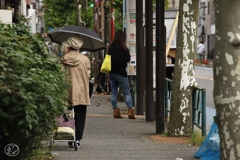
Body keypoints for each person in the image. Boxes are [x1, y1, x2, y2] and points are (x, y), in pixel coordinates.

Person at [60, 36, 91, 148]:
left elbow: (61, 75)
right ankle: (77, 139)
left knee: (68, 113)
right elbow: (88, 75)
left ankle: (69, 135)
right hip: (81, 91)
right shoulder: (85, 59)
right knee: (80, 114)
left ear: (68, 46)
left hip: (67, 90)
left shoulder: (64, 59)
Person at [108, 30, 136, 119]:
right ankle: (130, 111)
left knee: (114, 92)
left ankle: (115, 111)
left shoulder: (110, 47)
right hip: (121, 73)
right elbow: (128, 60)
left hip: (112, 73)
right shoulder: (124, 48)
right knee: (127, 93)